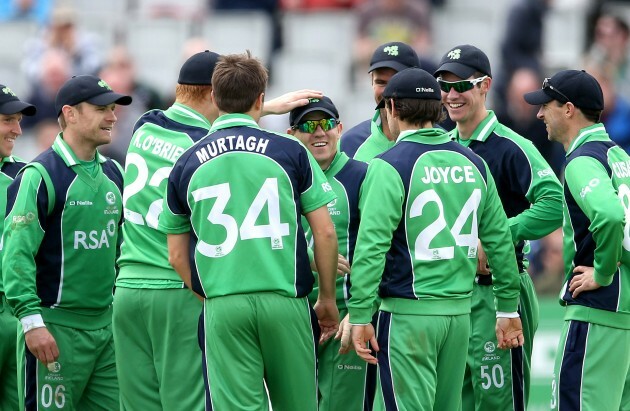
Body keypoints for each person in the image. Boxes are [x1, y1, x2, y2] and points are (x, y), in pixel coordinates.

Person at [114, 49, 326, 411]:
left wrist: (256, 109)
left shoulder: (146, 126)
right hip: (176, 288)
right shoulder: (199, 150)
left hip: (128, 286)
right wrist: (258, 110)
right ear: (210, 94)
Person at [346, 67, 524, 411]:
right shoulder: (474, 162)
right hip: (460, 317)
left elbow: (372, 248)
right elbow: (500, 241)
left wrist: (359, 314)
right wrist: (506, 307)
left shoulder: (387, 165)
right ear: (439, 108)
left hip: (407, 316)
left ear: (392, 107)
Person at [434, 44, 563, 410]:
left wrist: (497, 235)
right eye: (445, 86)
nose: (452, 94)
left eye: (462, 85)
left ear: (485, 85)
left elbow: (554, 203)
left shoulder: (510, 146)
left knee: (498, 403)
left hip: (499, 292)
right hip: (452, 294)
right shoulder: (443, 147)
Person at [3, 74, 131, 410]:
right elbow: (16, 257)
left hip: (105, 331)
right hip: (54, 330)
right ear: (70, 114)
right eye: (102, 108)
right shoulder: (39, 175)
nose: (112, 116)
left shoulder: (115, 173)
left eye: (114, 108)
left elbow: (119, 252)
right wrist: (31, 323)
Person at [524, 69, 630, 411]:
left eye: (546, 105)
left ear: (568, 109)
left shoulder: (582, 162)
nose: (540, 114)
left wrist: (602, 272)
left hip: (598, 312)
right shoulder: (620, 157)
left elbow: (612, 216)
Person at [287, 96, 370, 410]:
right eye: (309, 125)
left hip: (345, 317)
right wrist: (312, 256)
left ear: (340, 128)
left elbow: (379, 249)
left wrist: (361, 310)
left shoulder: (362, 176)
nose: (319, 132)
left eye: (327, 124)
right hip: (293, 316)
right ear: (292, 134)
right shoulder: (280, 176)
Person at [0, 84, 36, 411]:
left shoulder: (25, 176)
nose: (18, 129)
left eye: (19, 120)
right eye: (8, 120)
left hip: (15, 313)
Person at [340, 41, 420, 161]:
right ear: (372, 81)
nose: (388, 92)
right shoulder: (350, 144)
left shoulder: (442, 144)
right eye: (381, 83)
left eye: (397, 82)